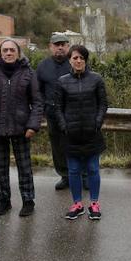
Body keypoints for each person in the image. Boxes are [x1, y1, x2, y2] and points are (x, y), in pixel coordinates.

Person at [0, 39, 43, 217]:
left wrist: (33, 125)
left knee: (25, 167)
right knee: (1, 167)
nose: (8, 53)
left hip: (22, 128)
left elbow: (37, 102)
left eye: (12, 50)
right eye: (5, 50)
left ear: (18, 53)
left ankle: (28, 200)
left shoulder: (29, 73)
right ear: (0, 53)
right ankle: (4, 200)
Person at [55, 45, 108, 220]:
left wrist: (97, 122)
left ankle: (94, 203)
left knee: (93, 169)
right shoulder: (62, 81)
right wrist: (64, 126)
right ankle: (77, 204)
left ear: (86, 60)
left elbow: (103, 104)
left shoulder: (96, 79)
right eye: (75, 58)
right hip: (71, 135)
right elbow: (58, 108)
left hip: (91, 133)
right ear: (70, 60)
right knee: (73, 171)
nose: (78, 61)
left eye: (81, 58)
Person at [36, 33, 72, 190]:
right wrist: (44, 107)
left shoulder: (76, 62)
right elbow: (38, 91)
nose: (60, 47)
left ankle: (83, 176)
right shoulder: (43, 66)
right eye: (57, 44)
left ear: (68, 46)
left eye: (63, 44)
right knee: (58, 147)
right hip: (52, 115)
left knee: (78, 145)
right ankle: (65, 176)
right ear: (50, 47)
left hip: (74, 113)